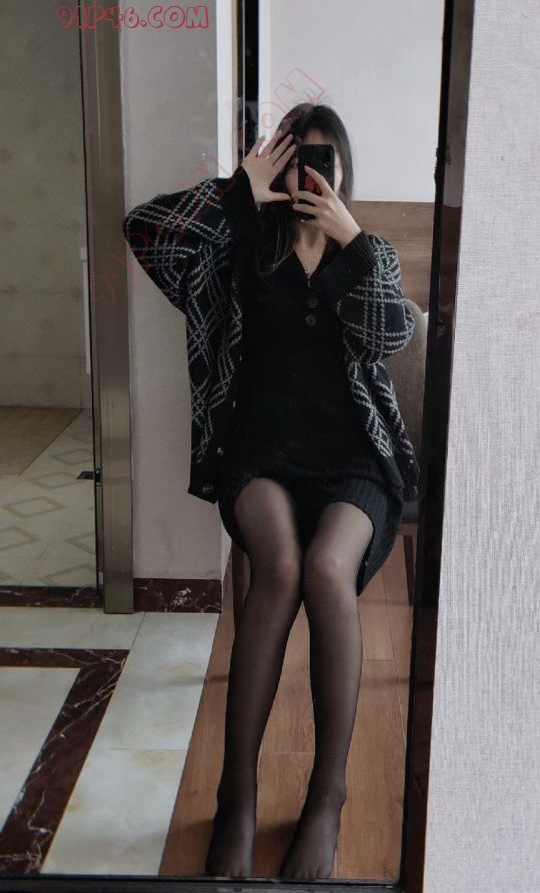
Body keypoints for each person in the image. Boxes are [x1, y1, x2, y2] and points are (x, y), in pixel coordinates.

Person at [125, 101, 417, 881]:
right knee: (280, 566)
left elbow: (391, 336)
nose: (306, 174)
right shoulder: (243, 244)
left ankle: (327, 797)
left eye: (321, 159)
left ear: (343, 168)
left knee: (327, 568)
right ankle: (237, 796)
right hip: (260, 452)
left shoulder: (371, 251)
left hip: (354, 459)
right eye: (294, 159)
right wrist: (236, 190)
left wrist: (353, 242)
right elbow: (145, 233)